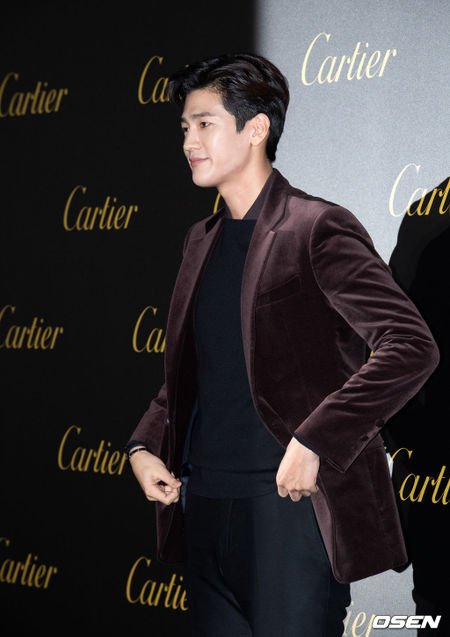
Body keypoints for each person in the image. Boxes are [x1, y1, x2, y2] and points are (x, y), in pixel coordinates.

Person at [125, 52, 440, 637]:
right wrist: (144, 446)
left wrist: (318, 437)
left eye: (205, 124)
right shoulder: (200, 240)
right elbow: (196, 371)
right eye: (185, 127)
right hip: (202, 507)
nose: (189, 141)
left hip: (289, 513)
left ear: (256, 129)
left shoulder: (315, 227)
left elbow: (409, 345)